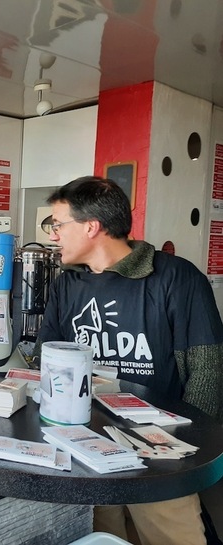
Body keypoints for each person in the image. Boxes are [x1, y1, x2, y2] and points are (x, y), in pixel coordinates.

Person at [35, 175, 223, 545]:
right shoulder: (67, 283)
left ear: (91, 226)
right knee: (104, 535)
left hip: (159, 457)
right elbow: (47, 358)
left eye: (57, 225)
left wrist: (183, 453)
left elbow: (208, 369)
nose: (53, 236)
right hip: (88, 450)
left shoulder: (175, 278)